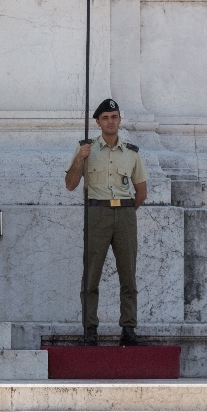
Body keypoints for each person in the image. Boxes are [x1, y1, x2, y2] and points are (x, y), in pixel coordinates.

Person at [65, 98, 148, 347]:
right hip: (97, 213)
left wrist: (124, 211)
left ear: (120, 119)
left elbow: (141, 192)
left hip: (124, 214)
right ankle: (90, 330)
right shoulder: (86, 149)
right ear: (98, 122)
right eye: (105, 118)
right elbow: (70, 185)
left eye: (114, 116)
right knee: (91, 276)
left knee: (128, 275)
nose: (110, 121)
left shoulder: (132, 152)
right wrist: (80, 158)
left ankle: (129, 330)